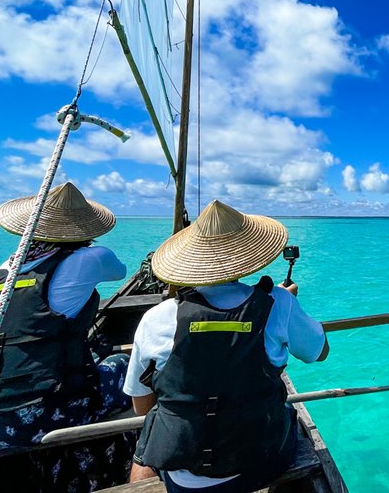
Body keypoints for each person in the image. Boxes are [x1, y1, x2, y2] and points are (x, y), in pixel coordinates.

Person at [125, 200, 329, 493]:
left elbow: (141, 403)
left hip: (184, 476)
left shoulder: (156, 318)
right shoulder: (278, 304)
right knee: (286, 409)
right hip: (262, 461)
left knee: (144, 445)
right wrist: (289, 305)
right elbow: (319, 352)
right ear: (247, 255)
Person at [0, 182, 130, 448]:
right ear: (83, 229)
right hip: (41, 421)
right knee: (123, 364)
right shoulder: (92, 257)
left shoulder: (2, 271)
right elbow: (119, 272)